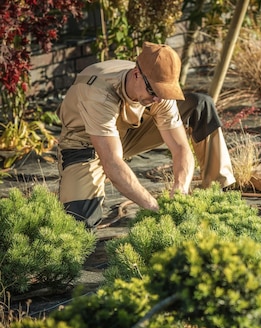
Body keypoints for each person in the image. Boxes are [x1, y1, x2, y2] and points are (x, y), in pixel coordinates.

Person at [56, 41, 234, 229]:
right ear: (136, 75)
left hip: (127, 134)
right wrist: (154, 207)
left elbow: (180, 147)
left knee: (200, 105)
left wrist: (180, 190)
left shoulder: (157, 87)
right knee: (79, 221)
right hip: (85, 145)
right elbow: (112, 163)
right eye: (154, 92)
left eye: (164, 93)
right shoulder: (98, 93)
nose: (158, 99)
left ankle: (217, 196)